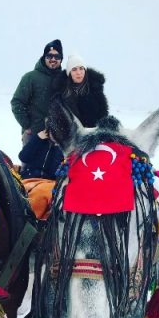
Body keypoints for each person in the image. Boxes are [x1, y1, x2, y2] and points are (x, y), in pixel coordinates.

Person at [19, 53, 110, 219]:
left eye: (81, 68)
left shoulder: (95, 91)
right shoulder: (61, 93)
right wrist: (39, 135)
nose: (78, 72)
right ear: (69, 73)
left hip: (87, 138)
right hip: (66, 137)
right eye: (74, 69)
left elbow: (102, 117)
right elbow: (25, 155)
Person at [11, 39, 65, 145]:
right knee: (30, 162)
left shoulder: (64, 79)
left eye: (57, 57)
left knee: (58, 162)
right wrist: (27, 125)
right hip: (33, 135)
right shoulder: (30, 77)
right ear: (44, 57)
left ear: (61, 59)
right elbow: (17, 102)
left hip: (58, 138)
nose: (53, 59)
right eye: (49, 56)